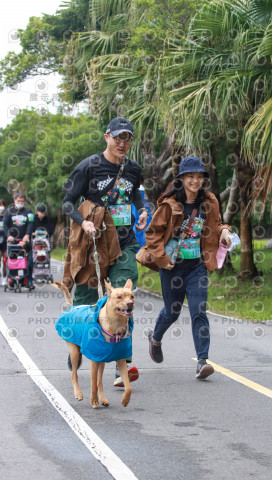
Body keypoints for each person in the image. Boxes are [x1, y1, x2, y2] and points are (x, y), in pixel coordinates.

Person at [62, 117, 148, 386]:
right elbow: (67, 202)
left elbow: (135, 195)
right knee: (87, 303)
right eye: (118, 137)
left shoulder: (133, 169)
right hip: (93, 244)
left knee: (123, 297)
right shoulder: (90, 165)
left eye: (128, 138)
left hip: (124, 243)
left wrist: (143, 210)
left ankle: (121, 366)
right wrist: (83, 221)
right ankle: (78, 349)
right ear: (106, 137)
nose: (123, 143)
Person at [137, 156, 232, 379]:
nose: (195, 181)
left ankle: (202, 361)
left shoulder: (208, 201)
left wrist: (225, 231)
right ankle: (155, 338)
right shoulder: (170, 204)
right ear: (181, 178)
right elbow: (152, 234)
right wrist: (161, 258)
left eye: (199, 177)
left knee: (199, 310)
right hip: (172, 267)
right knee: (173, 311)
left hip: (197, 266)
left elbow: (216, 224)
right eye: (191, 176)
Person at [3, 192, 35, 289]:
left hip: (25, 241)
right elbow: (5, 224)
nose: (20, 202)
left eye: (22, 201)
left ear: (24, 202)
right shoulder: (8, 212)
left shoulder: (28, 212)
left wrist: (27, 235)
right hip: (13, 241)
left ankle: (29, 280)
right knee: (13, 261)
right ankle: (12, 279)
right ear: (14, 201)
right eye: (18, 201)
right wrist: (9, 236)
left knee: (28, 261)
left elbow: (31, 223)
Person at [0, 199, 7, 285]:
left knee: (6, 260)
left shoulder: (7, 216)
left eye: (2, 205)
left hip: (5, 241)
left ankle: (5, 278)